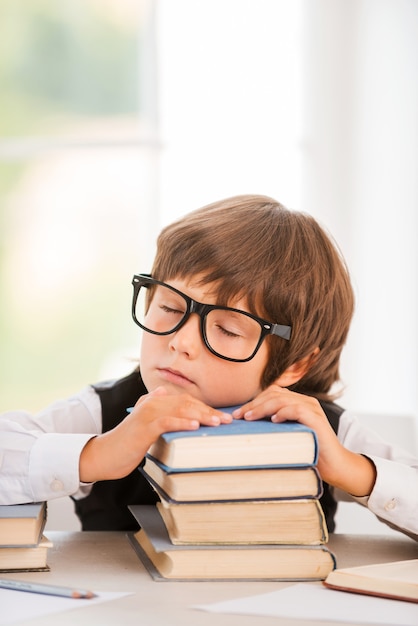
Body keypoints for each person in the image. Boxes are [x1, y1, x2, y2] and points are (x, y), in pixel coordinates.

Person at [0, 194, 417, 538]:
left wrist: (350, 469)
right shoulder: (106, 411)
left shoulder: (321, 427)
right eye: (168, 307)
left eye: (228, 331)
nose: (180, 342)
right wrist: (97, 454)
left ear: (296, 365)